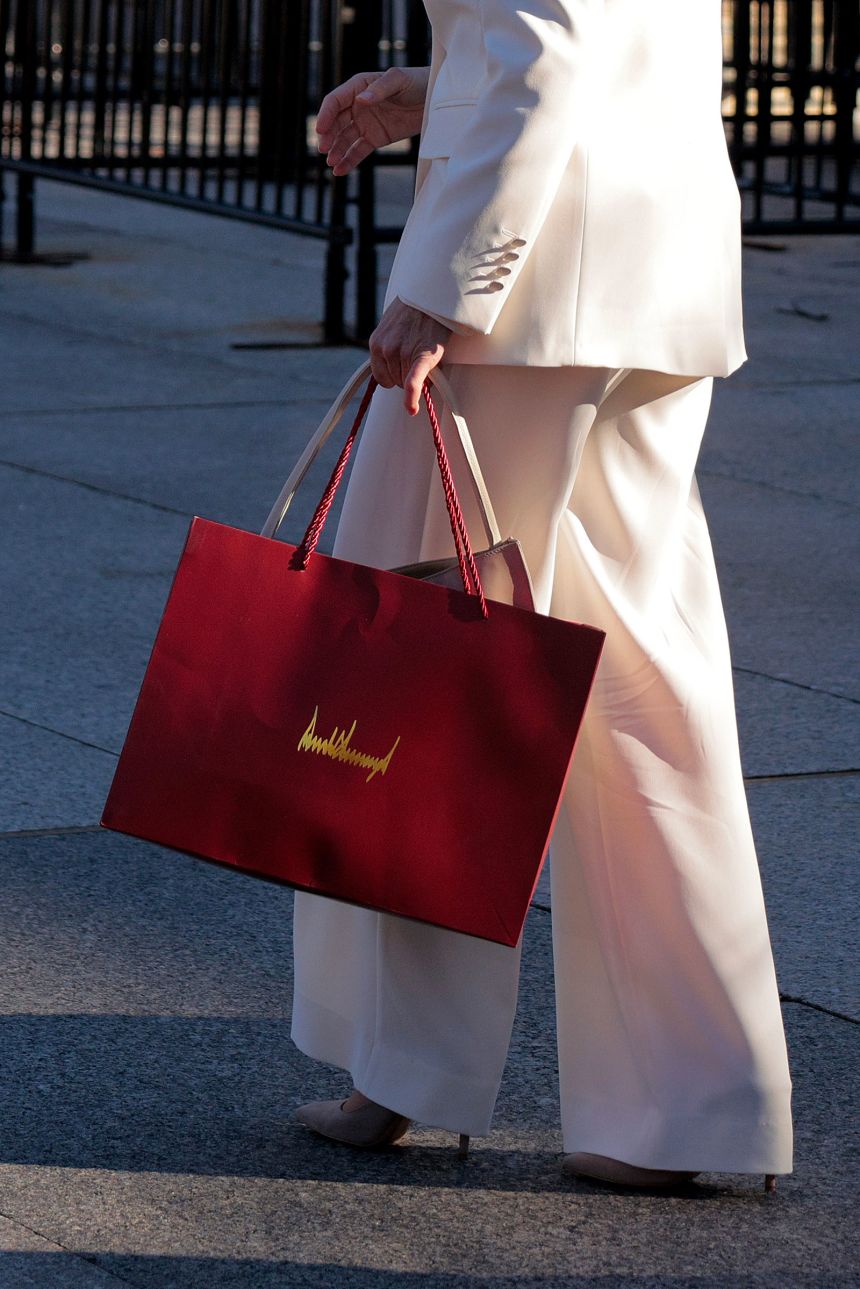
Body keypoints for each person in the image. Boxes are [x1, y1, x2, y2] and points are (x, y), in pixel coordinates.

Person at [290, 0, 793, 1190]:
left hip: (526, 305)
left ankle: (403, 1065)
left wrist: (442, 285)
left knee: (414, 683)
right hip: (653, 279)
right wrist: (439, 80)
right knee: (642, 685)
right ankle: (691, 1103)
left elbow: (545, 46)